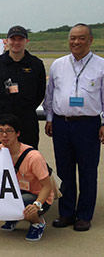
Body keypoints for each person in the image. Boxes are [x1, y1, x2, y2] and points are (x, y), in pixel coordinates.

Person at [43, 23, 104, 232]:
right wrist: (49, 118)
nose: (76, 42)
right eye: (72, 38)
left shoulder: (101, 66)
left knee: (88, 171)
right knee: (65, 171)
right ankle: (66, 212)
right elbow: (50, 95)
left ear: (90, 40)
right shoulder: (58, 65)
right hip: (62, 124)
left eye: (81, 38)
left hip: (89, 125)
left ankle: (84, 215)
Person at [0, 114, 53, 241]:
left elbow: (47, 186)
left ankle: (38, 222)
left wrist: (37, 204)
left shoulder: (33, 157)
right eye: (1, 132)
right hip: (16, 191)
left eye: (9, 131)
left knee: (23, 203)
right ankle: (13, 217)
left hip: (38, 196)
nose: (4, 135)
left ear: (17, 133)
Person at [0, 26, 46, 149]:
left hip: (26, 122)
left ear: (26, 41)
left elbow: (40, 93)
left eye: (20, 39)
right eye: (13, 39)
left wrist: (24, 109)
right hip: (1, 121)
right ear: (7, 41)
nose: (16, 43)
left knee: (27, 160)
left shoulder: (36, 64)